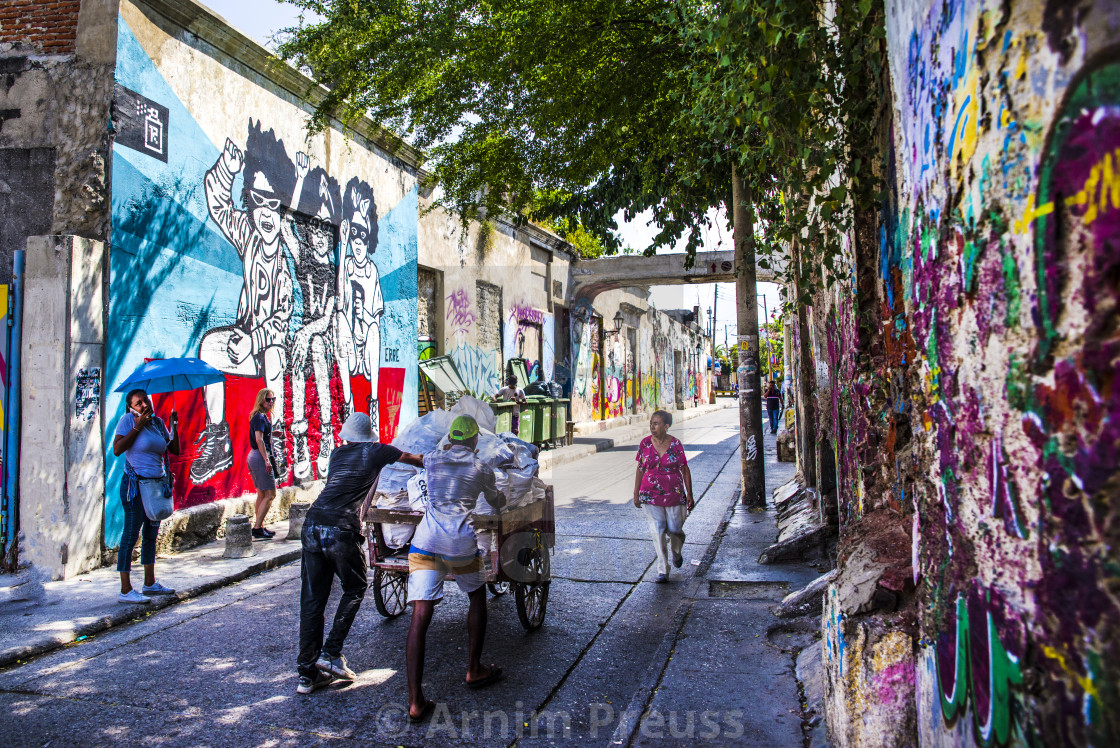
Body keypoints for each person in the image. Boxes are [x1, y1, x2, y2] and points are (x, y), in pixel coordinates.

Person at [297, 412, 424, 695]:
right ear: (369, 435)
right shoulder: (378, 450)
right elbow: (415, 460)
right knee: (355, 587)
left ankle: (306, 675)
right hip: (340, 529)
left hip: (312, 524)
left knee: (312, 600)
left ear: (346, 436)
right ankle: (331, 653)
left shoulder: (337, 455)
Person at [406, 415, 507, 722]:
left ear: (450, 439)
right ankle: (474, 669)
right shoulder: (481, 468)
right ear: (475, 440)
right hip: (459, 543)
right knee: (476, 597)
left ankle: (414, 702)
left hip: (425, 541)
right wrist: (499, 498)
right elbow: (495, 499)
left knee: (420, 614)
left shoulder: (434, 459)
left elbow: (416, 460)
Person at [111, 389, 181, 604]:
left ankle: (149, 583)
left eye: (145, 401)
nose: (143, 405)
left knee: (151, 535)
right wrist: (138, 426)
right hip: (135, 486)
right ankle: (125, 589)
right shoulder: (127, 420)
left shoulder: (158, 423)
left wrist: (174, 425)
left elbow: (175, 450)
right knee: (131, 535)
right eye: (138, 403)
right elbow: (117, 449)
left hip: (155, 487)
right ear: (131, 407)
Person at [632, 410, 694, 583]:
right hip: (650, 494)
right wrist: (636, 493)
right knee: (657, 530)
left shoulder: (675, 444)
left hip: (674, 493)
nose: (652, 426)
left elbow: (684, 468)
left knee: (675, 529)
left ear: (666, 426)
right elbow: (640, 468)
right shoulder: (645, 444)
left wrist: (690, 493)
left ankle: (676, 551)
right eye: (651, 423)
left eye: (656, 423)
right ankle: (663, 569)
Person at [248, 388, 280, 539]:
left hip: (254, 455)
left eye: (273, 399)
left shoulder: (258, 417)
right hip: (260, 456)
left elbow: (260, 435)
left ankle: (259, 526)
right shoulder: (260, 417)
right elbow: (259, 439)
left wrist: (272, 433)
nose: (271, 402)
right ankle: (257, 528)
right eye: (268, 399)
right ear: (261, 400)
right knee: (270, 494)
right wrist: (266, 459)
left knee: (261, 493)